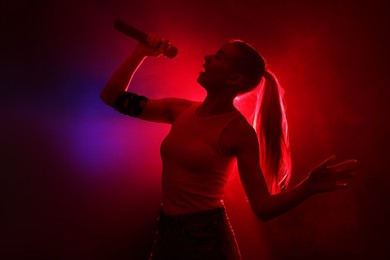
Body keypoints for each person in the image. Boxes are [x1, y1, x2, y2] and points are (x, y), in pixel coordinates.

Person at [100, 34, 357, 260]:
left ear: (234, 78)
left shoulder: (239, 133)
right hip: (167, 232)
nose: (207, 57)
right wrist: (140, 53)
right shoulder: (179, 110)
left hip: (206, 239)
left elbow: (263, 208)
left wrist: (308, 188)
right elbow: (111, 96)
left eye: (219, 56)